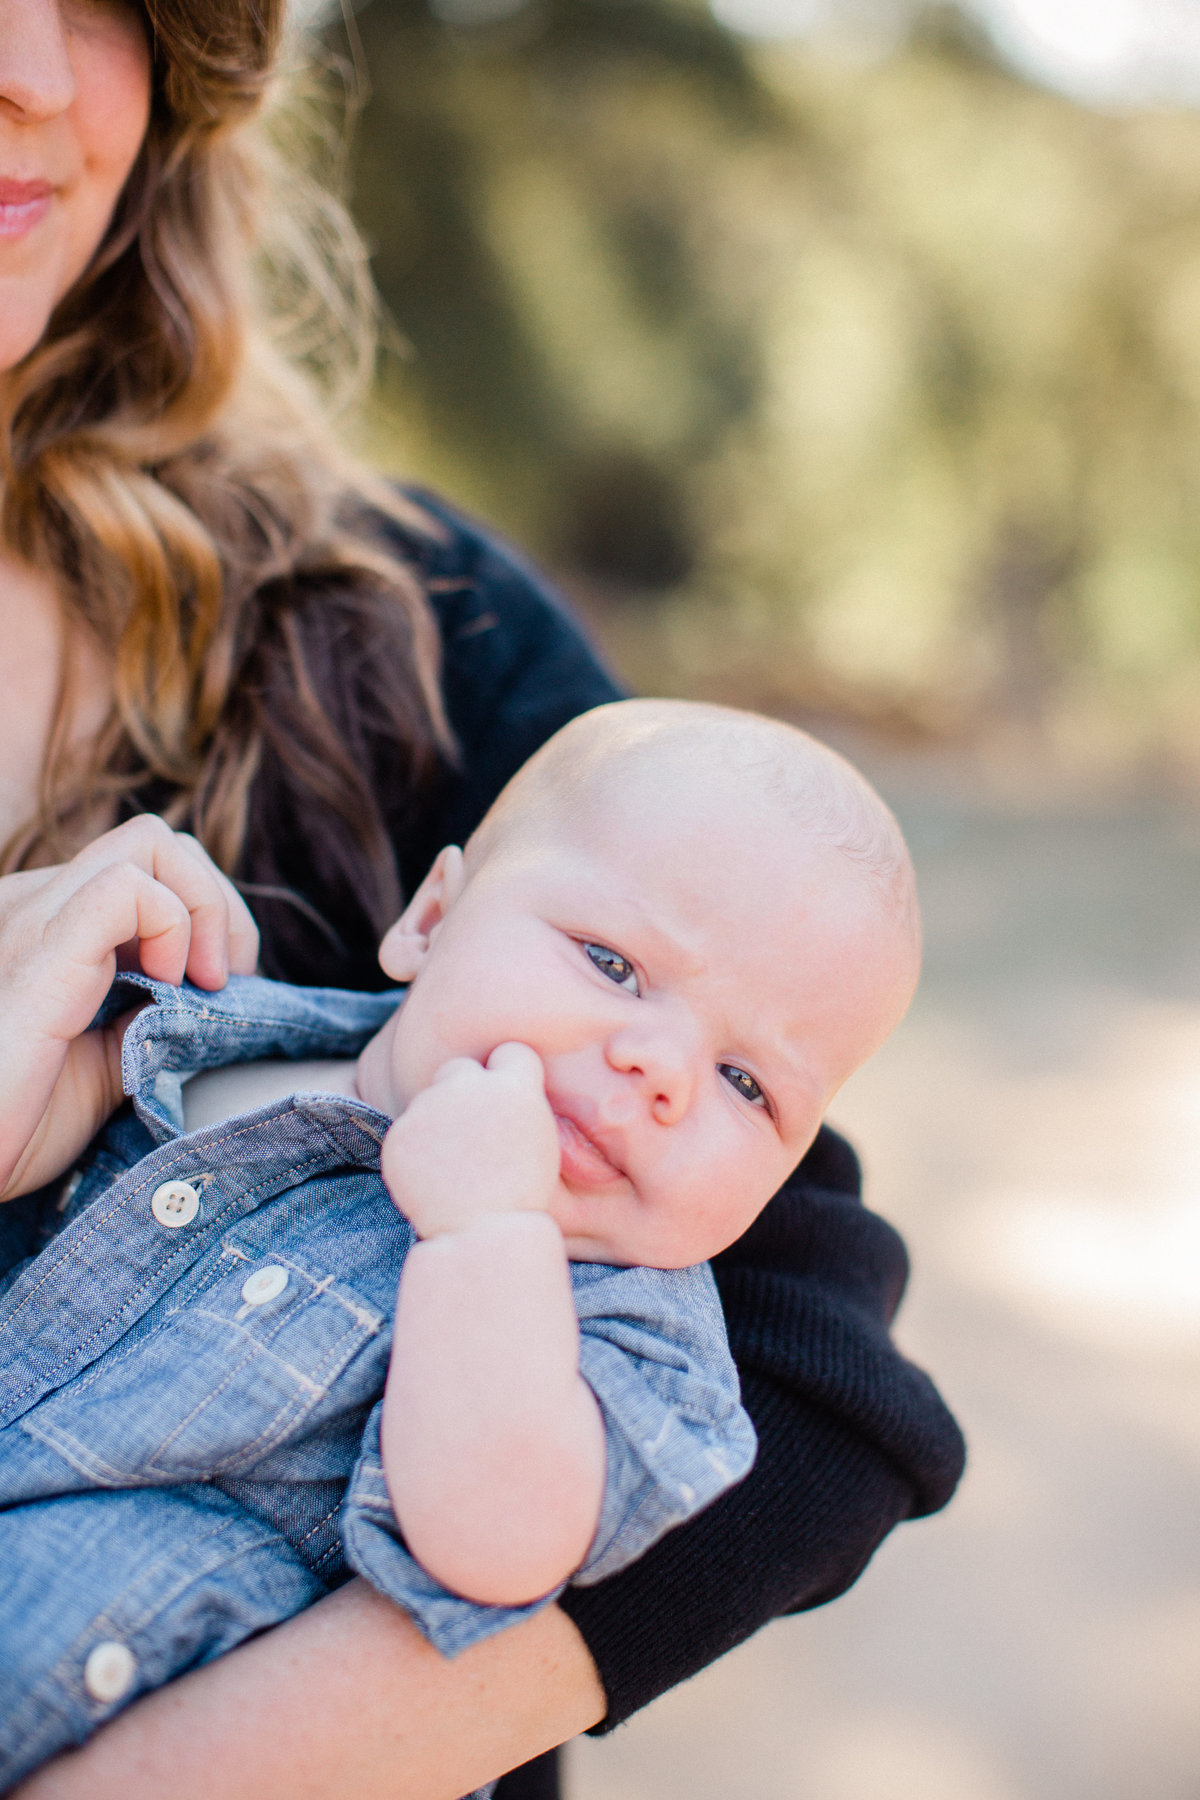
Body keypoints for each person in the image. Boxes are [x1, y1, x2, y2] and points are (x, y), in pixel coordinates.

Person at [0, 3, 965, 1795]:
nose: (36, 72)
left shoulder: (394, 630)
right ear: (424, 923)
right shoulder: (257, 1056)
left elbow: (817, 1378)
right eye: (609, 967)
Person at [0, 699, 922, 1793]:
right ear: (432, 919)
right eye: (613, 963)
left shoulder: (629, 1334)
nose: (662, 1069)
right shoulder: (198, 1037)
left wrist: (489, 1236)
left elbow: (495, 1552)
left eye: (746, 1084)